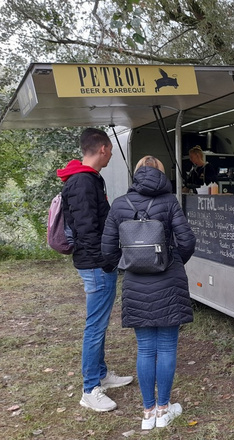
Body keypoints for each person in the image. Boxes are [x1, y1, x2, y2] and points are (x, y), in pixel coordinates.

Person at [101, 155, 196, 430]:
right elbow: (187, 240)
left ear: (137, 173)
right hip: (169, 282)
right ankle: (164, 410)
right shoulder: (169, 202)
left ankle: (147, 413)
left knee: (145, 348)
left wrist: (128, 264)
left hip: (135, 283)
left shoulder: (120, 204)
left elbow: (107, 251)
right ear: (162, 175)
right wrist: (173, 260)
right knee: (166, 347)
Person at [57, 128, 133, 412]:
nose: (111, 154)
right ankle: (90, 388)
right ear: (102, 148)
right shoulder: (82, 182)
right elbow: (88, 229)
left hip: (98, 263)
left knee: (98, 323)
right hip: (96, 265)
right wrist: (105, 260)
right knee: (96, 326)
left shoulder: (85, 179)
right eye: (110, 149)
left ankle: (101, 374)